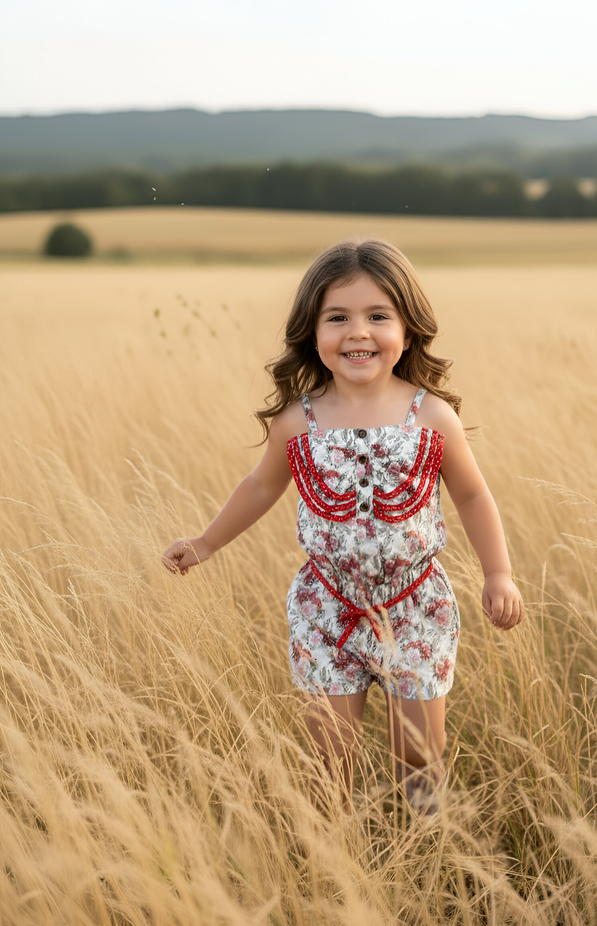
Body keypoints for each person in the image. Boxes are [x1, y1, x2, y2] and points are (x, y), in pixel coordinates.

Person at [162, 239, 524, 813]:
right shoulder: (297, 422)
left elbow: (473, 494)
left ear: (408, 329)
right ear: (312, 331)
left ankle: (423, 847)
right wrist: (206, 542)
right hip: (326, 607)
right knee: (329, 760)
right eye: (338, 318)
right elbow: (261, 487)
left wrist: (498, 573)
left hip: (414, 606)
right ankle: (330, 853)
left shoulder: (431, 416)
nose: (358, 332)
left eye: (378, 316)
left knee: (420, 756)